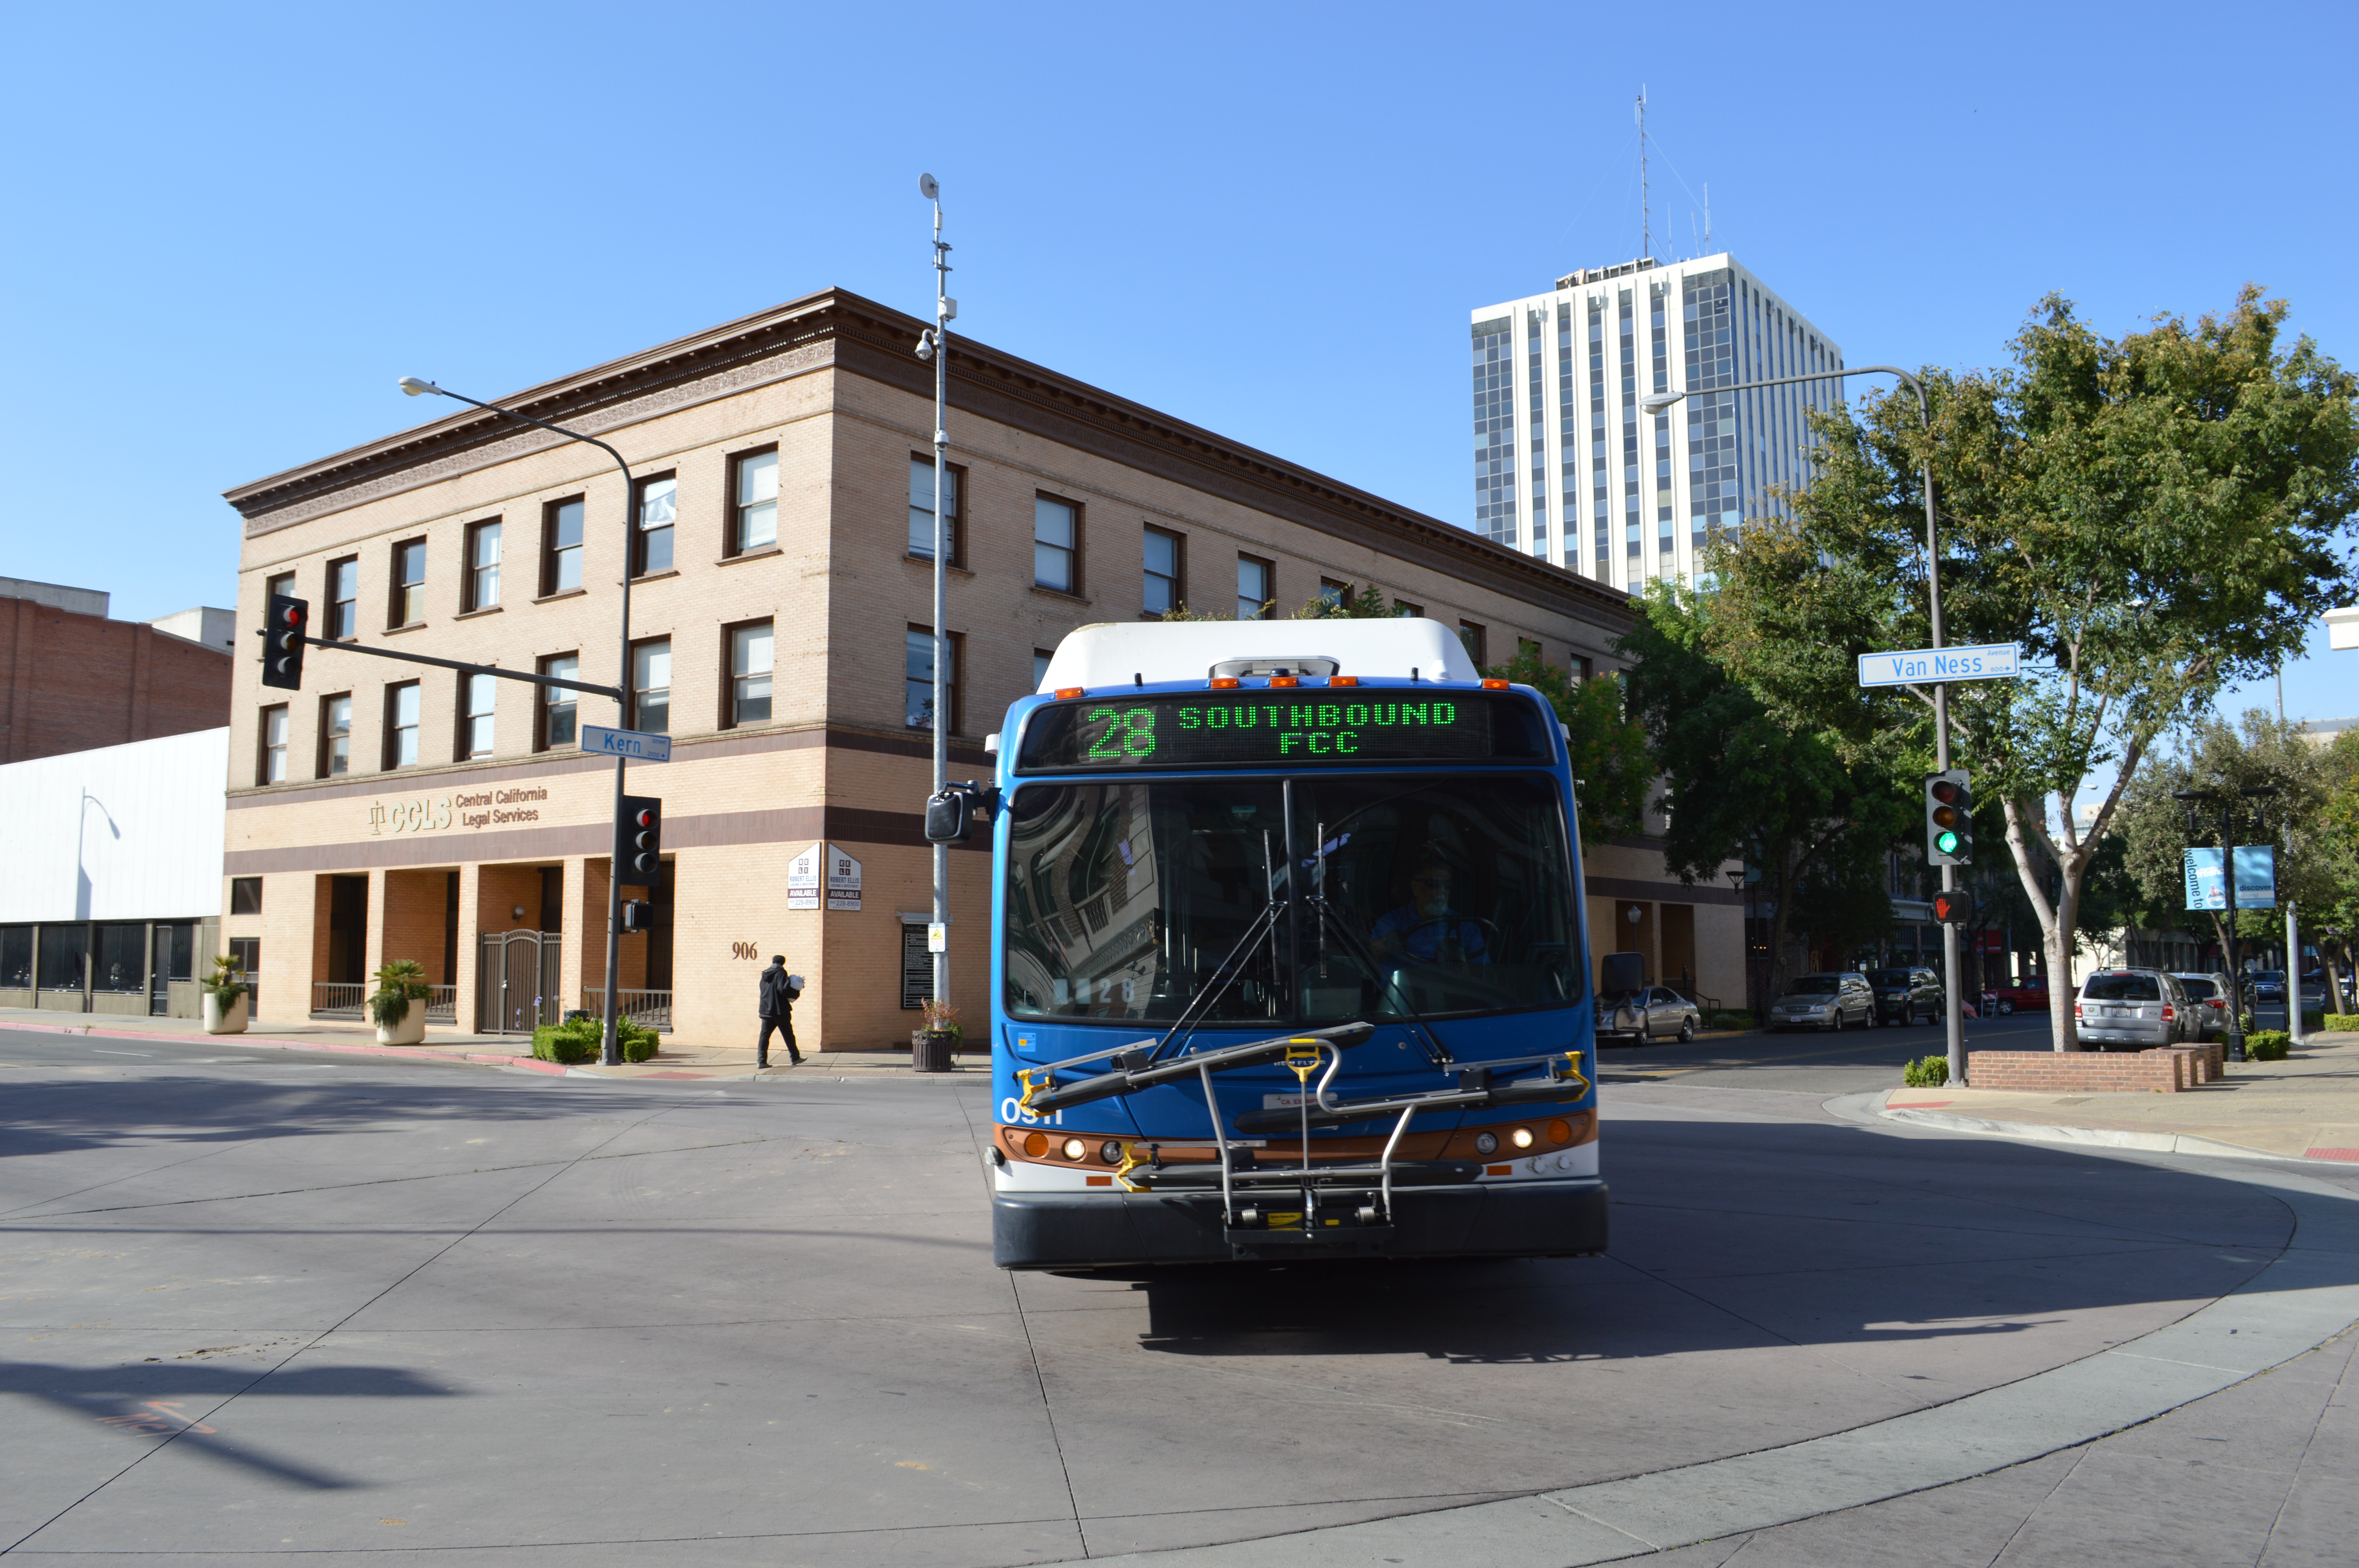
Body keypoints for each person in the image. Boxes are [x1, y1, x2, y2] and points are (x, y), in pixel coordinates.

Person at [1369, 849, 1488, 965]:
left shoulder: (1466, 927)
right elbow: (1373, 960)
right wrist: (1383, 946)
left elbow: (1482, 971)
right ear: (1415, 887)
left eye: (1447, 886)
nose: (1442, 891)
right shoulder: (1392, 922)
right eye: (1434, 885)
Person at [758, 956, 802, 1067]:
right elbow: (783, 989)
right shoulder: (781, 973)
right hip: (779, 1010)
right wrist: (796, 992)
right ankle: (795, 1058)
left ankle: (761, 1061)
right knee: (788, 1035)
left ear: (773, 962)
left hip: (766, 1010)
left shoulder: (765, 974)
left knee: (764, 1036)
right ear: (783, 963)